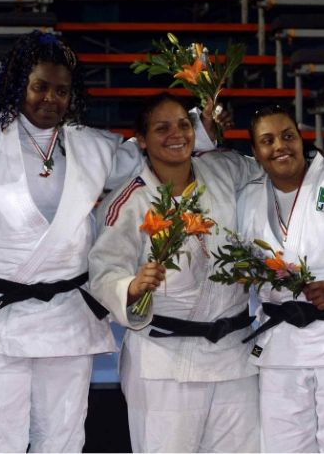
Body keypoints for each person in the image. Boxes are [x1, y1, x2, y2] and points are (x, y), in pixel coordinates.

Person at [0, 31, 218, 452]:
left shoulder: (91, 147)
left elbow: (152, 150)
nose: (50, 98)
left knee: (63, 437)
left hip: (68, 316)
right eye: (39, 87)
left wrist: (202, 126)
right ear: (20, 85)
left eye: (61, 90)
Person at [87, 92, 262, 452]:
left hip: (234, 353)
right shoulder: (129, 200)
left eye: (183, 124)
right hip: (164, 359)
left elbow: (275, 172)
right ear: (141, 140)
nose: (176, 134)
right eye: (161, 128)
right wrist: (132, 287)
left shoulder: (223, 168)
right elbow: (103, 272)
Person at [238, 104, 324, 452]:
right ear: (255, 153)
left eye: (288, 136)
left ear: (303, 140)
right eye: (267, 141)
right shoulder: (248, 197)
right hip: (282, 349)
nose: (280, 146)